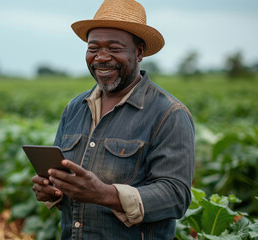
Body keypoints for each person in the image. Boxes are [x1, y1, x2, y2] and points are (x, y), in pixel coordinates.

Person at [31, 0, 195, 239]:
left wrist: (105, 194)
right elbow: (65, 184)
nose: (101, 57)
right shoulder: (75, 108)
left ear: (139, 52)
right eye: (93, 48)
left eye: (114, 48)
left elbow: (175, 196)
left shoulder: (169, 114)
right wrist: (52, 190)